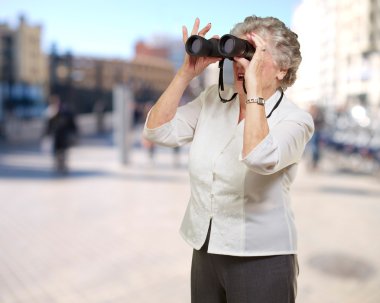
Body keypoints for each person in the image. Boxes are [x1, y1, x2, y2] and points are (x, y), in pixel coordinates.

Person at [143, 16, 314, 303]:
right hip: (206, 250)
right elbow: (157, 131)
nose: (241, 62)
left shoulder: (296, 120)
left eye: (254, 53)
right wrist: (185, 74)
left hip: (262, 257)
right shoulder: (214, 99)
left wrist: (254, 91)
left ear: (282, 69)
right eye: (238, 52)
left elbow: (259, 157)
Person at [45, 95, 78, 174]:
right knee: (57, 151)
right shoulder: (50, 112)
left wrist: (74, 132)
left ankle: (63, 164)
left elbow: (71, 123)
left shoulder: (65, 111)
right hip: (56, 136)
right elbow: (48, 125)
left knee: (63, 151)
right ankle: (58, 164)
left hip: (64, 135)